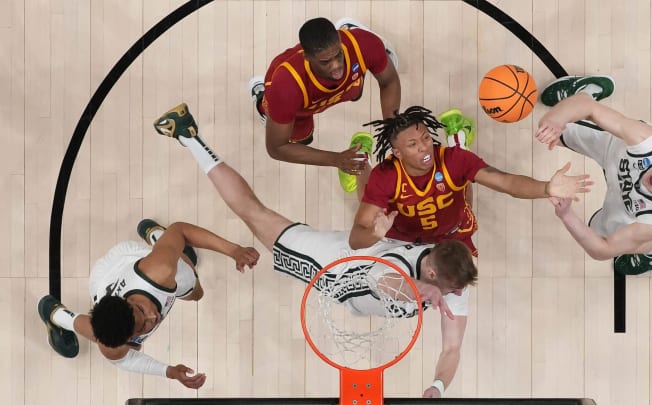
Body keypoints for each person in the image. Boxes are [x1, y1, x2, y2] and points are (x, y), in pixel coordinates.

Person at [153, 102, 476, 398]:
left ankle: (370, 155)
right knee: (254, 214)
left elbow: (451, 349)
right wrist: (423, 290)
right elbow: (385, 281)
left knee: (438, 216)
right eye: (449, 289)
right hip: (334, 264)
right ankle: (188, 136)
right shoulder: (394, 271)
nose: (453, 294)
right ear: (432, 274)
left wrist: (438, 386)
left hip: (376, 252)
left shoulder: (449, 274)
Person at [38, 219, 260, 389]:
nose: (154, 318)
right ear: (126, 337)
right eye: (143, 327)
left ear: (127, 302)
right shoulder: (110, 344)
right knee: (112, 338)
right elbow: (128, 360)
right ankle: (55, 314)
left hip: (124, 259)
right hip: (103, 283)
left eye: (142, 311)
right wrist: (169, 371)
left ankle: (157, 238)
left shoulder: (158, 271)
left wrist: (235, 251)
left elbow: (180, 230)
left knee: (194, 288)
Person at [348, 105, 594, 256]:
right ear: (397, 153)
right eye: (413, 145)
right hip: (400, 236)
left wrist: (546, 188)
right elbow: (356, 238)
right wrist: (375, 235)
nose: (425, 148)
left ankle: (459, 141)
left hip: (453, 232)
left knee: (461, 184)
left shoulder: (453, 161)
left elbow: (506, 182)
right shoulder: (387, 174)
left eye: (425, 138)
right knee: (367, 200)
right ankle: (361, 160)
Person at [534, 75, 652, 274]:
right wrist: (555, 119)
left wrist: (566, 215)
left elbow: (602, 251)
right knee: (550, 127)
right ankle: (589, 89)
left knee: (603, 236)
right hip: (612, 149)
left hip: (624, 207)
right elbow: (589, 109)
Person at [247, 17, 401, 192]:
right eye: (325, 62)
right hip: (299, 108)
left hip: (342, 83)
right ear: (307, 57)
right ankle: (262, 98)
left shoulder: (362, 43)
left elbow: (389, 81)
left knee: (355, 91)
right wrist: (335, 159)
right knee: (303, 139)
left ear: (340, 42)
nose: (336, 66)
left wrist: (392, 128)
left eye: (338, 55)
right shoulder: (285, 85)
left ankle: (350, 32)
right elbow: (277, 148)